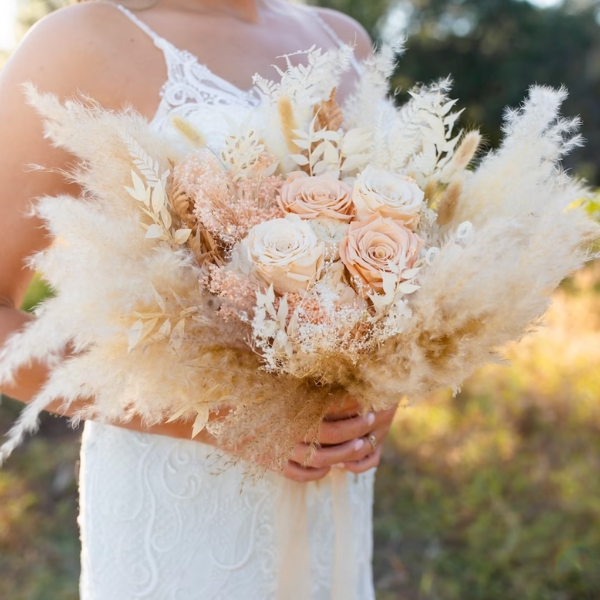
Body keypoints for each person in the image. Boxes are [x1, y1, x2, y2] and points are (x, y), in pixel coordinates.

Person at [0, 0, 398, 597]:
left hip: (333, 492)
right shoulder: (80, 41)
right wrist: (219, 421)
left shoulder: (346, 40)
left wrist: (387, 383)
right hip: (179, 501)